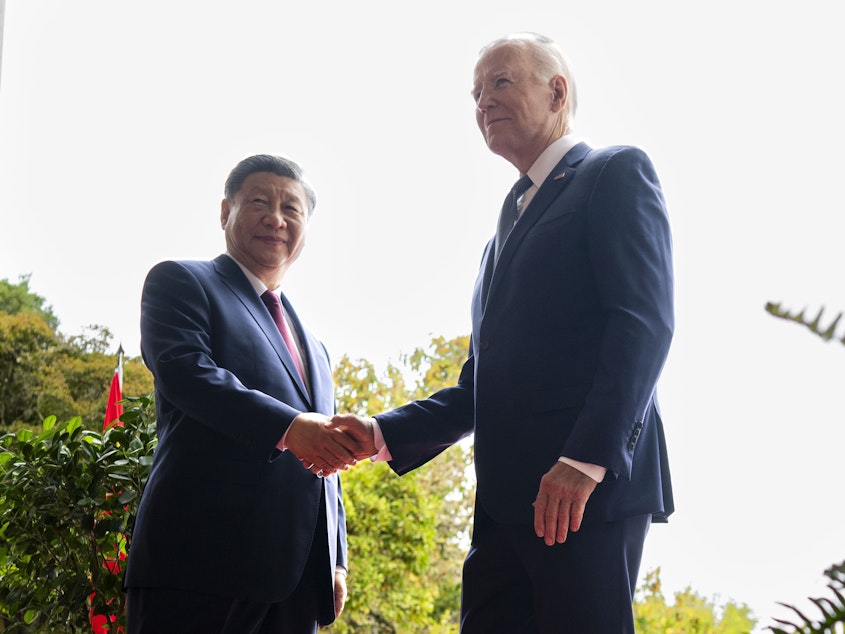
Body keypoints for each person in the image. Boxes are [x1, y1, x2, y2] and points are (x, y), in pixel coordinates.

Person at [333, 32, 675, 633]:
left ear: (556, 92)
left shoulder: (614, 172)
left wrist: (585, 459)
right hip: (502, 507)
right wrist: (384, 432)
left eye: (500, 83)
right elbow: (483, 383)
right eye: (474, 93)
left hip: (581, 497)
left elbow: (643, 323)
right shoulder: (504, 227)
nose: (482, 102)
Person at [124, 154, 361, 633]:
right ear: (224, 212)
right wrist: (290, 427)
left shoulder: (316, 347)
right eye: (260, 201)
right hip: (198, 569)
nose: (276, 218)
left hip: (295, 584)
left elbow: (326, 462)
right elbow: (185, 373)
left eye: (291, 209)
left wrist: (335, 557)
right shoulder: (182, 282)